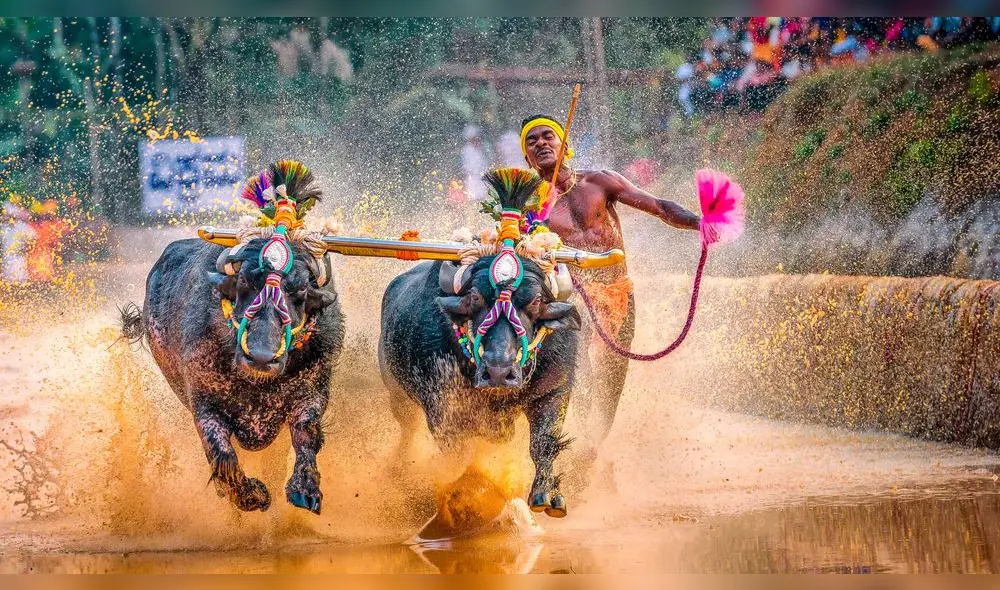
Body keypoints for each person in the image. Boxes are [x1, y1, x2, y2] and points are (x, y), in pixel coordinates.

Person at [518, 115, 701, 462]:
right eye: (532, 141)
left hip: (618, 293)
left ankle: (597, 446)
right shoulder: (529, 204)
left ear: (564, 144)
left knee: (613, 378)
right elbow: (516, 254)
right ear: (526, 158)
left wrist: (698, 223)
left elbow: (659, 207)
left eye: (548, 137)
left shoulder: (600, 181)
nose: (541, 144)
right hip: (573, 298)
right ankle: (581, 447)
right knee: (579, 370)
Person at [461, 124, 488, 201]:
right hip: (472, 177)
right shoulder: (467, 150)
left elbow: (484, 163)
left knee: (482, 196)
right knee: (473, 196)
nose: (477, 140)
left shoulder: (480, 149)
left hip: (480, 177)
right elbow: (467, 166)